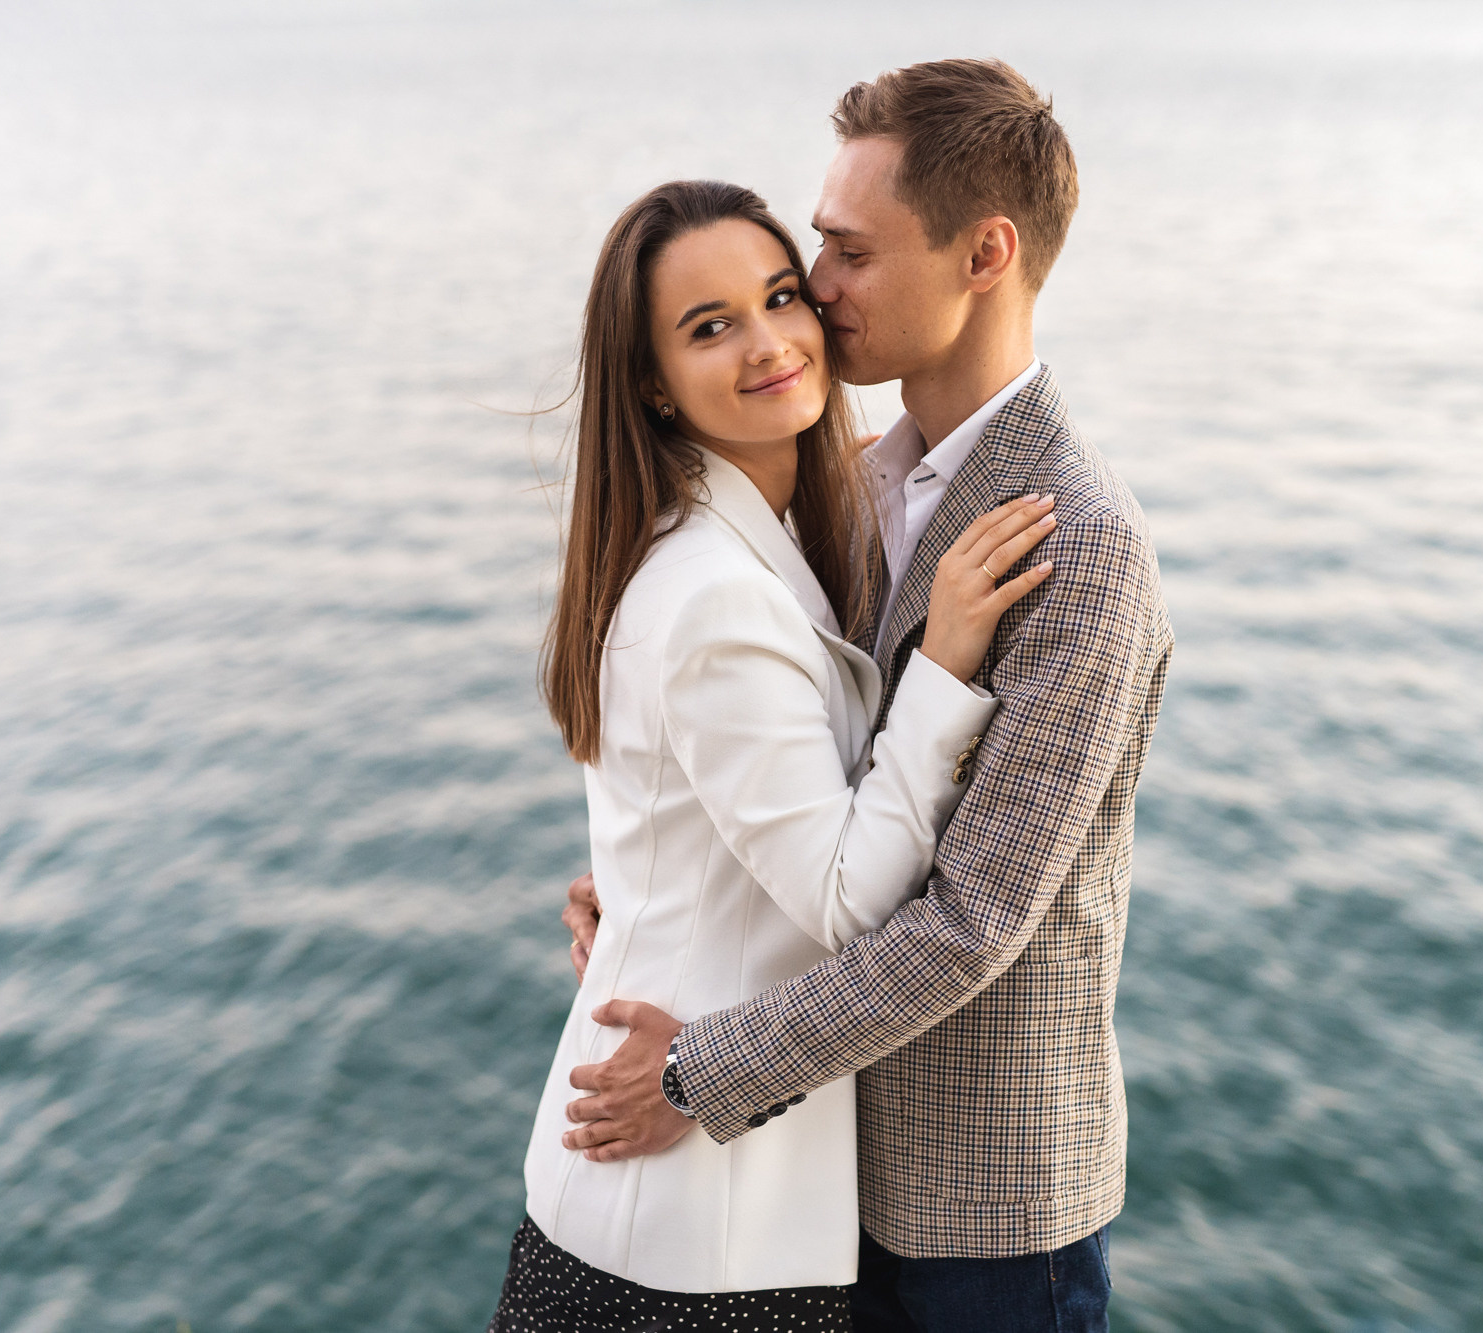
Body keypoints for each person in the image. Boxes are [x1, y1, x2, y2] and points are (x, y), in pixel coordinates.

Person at [558, 59, 1174, 1333]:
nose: (816, 291)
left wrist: (693, 1072)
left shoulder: (1080, 542)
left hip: (988, 1212)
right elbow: (799, 766)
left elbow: (971, 922)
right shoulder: (853, 486)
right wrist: (655, 878)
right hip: (831, 1174)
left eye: (844, 252)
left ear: (983, 254)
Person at [488, 179, 1057, 1332]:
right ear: (651, 381)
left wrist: (641, 888)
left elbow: (696, 806)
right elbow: (846, 897)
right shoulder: (714, 595)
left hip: (673, 1208)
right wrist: (942, 668)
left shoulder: (729, 535)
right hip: (696, 1239)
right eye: (710, 327)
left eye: (779, 296)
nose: (767, 343)